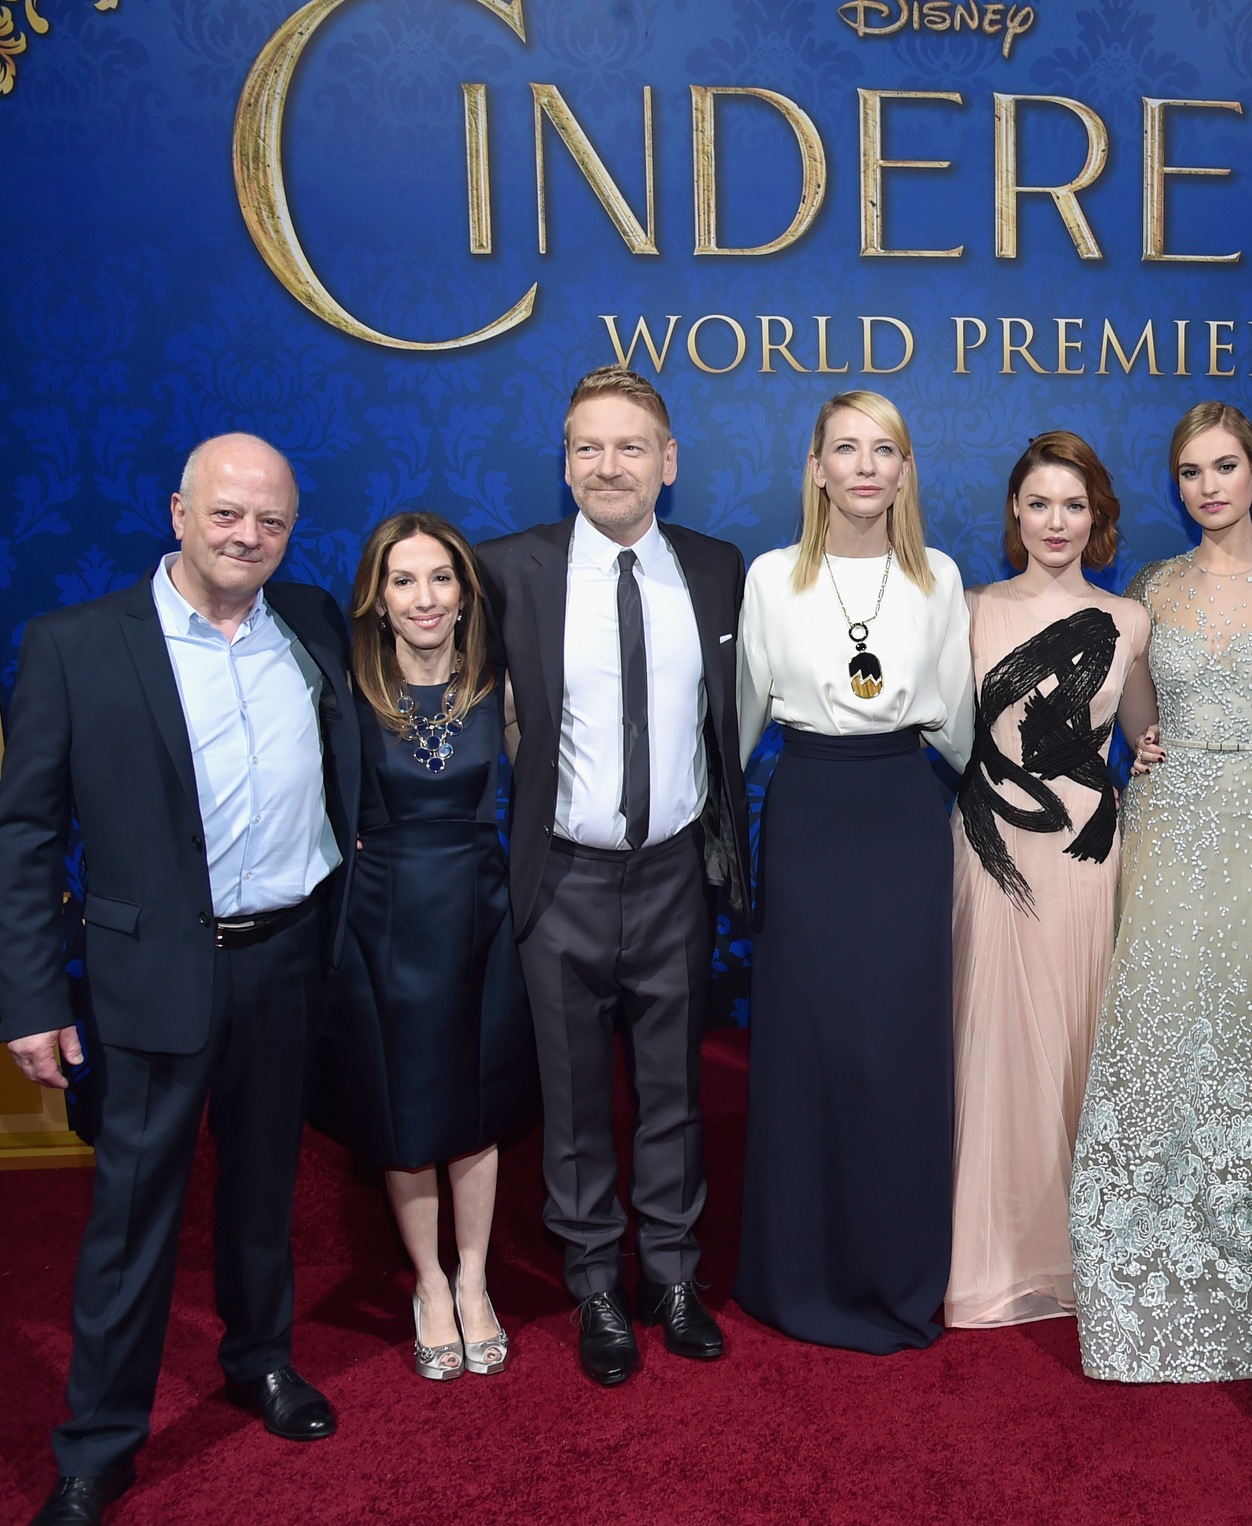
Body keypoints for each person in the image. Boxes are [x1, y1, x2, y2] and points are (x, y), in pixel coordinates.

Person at [0, 434, 358, 1526]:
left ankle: (260, 1359)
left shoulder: (313, 623)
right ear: (178, 511)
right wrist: (34, 996)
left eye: (271, 520)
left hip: (288, 958)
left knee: (261, 1191)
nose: (248, 536)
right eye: (226, 514)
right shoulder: (78, 645)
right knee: (132, 1217)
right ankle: (96, 1444)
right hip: (151, 974)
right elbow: (20, 835)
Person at [475, 366, 749, 1385]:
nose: (607, 465)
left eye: (629, 446)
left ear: (666, 463)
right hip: (561, 880)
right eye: (587, 447)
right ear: (565, 462)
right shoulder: (509, 570)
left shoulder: (716, 571)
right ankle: (593, 1282)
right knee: (575, 1096)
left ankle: (670, 1275)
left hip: (676, 870)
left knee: (673, 1090)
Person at [1067, 401, 1252, 1383]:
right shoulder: (1152, 587)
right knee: (1157, 1020)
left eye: (1224, 466)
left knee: (1248, 1024)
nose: (1207, 485)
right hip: (1169, 822)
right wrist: (1156, 749)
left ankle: (1246, 1249)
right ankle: (1133, 1250)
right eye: (1189, 471)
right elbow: (1139, 724)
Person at [734, 389, 974, 1353]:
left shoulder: (941, 579)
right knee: (810, 1048)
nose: (867, 466)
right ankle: (799, 1275)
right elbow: (739, 722)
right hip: (807, 818)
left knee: (897, 1051)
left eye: (886, 449)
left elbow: (959, 723)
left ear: (906, 470)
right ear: (818, 467)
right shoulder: (768, 578)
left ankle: (897, 1274)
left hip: (904, 818)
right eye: (847, 448)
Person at [308, 512, 539, 1381]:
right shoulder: (347, 691)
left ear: (464, 589)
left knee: (475, 1110)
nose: (424, 598)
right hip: (385, 919)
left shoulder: (499, 684)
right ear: (376, 594)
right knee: (408, 1116)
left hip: (481, 914)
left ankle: (475, 1280)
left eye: (439, 577)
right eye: (403, 580)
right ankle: (430, 1285)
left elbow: (546, 781)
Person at [946, 431, 1156, 1329]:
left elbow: (1150, 744)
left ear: (1098, 516)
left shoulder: (1131, 619)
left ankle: (1078, 1254)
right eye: (1039, 504)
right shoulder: (967, 607)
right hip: (990, 846)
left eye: (1074, 505)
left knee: (1076, 1036)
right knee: (992, 1037)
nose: (1056, 521)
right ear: (1015, 515)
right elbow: (940, 729)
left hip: (1082, 855)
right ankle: (992, 1258)